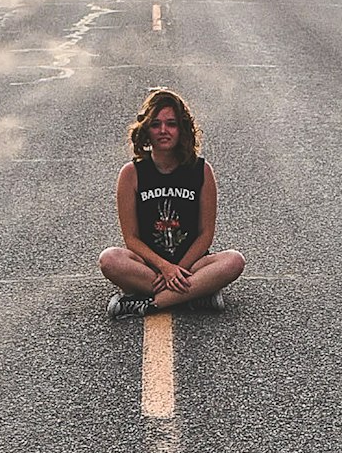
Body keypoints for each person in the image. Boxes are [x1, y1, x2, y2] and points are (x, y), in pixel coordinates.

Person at [99, 88, 245, 318]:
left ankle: (147, 304)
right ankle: (195, 296)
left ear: (182, 129)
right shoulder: (131, 173)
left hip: (192, 266)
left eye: (171, 124)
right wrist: (165, 268)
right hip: (149, 268)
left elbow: (206, 234)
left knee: (234, 261)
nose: (163, 130)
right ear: (146, 130)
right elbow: (131, 239)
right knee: (109, 259)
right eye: (155, 124)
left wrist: (180, 270)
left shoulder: (201, 171)